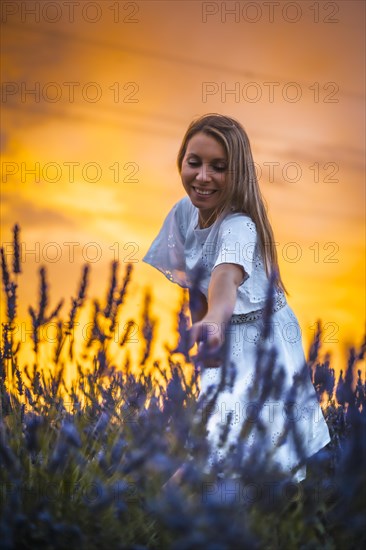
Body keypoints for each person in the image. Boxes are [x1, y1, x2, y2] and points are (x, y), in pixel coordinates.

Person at [142, 113, 331, 483]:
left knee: (249, 444)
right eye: (194, 162)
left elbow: (225, 280)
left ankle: (169, 512)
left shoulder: (239, 227)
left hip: (266, 341)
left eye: (219, 167)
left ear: (238, 172)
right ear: (180, 160)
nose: (203, 176)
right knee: (220, 435)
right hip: (223, 338)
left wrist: (214, 320)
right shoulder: (183, 213)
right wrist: (206, 330)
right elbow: (197, 281)